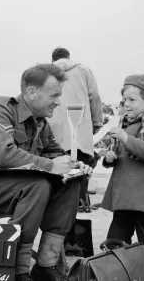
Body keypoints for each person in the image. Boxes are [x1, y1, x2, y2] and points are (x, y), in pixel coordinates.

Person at [0, 64, 93, 281]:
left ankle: (46, 265)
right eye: (54, 95)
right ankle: (17, 270)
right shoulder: (1, 111)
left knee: (71, 184)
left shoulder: (41, 123)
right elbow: (3, 155)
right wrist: (52, 165)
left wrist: (74, 166)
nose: (58, 101)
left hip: (14, 188)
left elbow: (55, 154)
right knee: (37, 186)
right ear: (32, 92)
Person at [101, 74, 144, 281]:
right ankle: (116, 275)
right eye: (124, 100)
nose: (126, 105)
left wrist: (126, 139)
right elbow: (117, 154)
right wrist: (109, 158)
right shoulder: (125, 124)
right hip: (125, 197)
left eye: (132, 100)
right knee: (114, 240)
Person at [48, 47, 103, 208]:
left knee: (57, 163)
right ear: (69, 57)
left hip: (54, 127)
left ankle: (57, 202)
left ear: (53, 59)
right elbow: (94, 97)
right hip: (80, 124)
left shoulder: (47, 72)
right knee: (82, 165)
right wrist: (97, 122)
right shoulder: (84, 70)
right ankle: (80, 200)